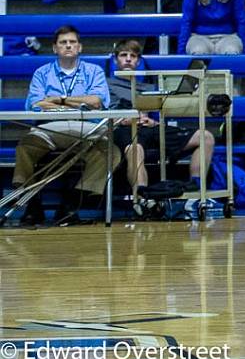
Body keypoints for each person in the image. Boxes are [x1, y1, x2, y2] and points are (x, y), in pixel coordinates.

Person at [14, 26, 116, 227]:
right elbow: (35, 104)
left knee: (111, 152)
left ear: (79, 47)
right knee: (24, 148)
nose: (68, 45)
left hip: (87, 129)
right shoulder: (42, 73)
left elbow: (96, 101)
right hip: (49, 129)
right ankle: (32, 204)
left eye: (72, 42)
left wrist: (59, 99)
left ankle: (71, 203)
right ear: (54, 48)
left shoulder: (93, 71)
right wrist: (78, 101)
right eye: (63, 42)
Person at [106, 39, 215, 218]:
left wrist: (154, 123)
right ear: (116, 59)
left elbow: (158, 115)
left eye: (132, 56)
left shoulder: (149, 87)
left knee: (206, 137)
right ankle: (142, 199)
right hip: (123, 128)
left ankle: (195, 190)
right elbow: (101, 112)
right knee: (135, 148)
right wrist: (122, 118)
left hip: (149, 128)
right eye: (123, 55)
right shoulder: (105, 84)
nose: (128, 59)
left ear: (138, 61)